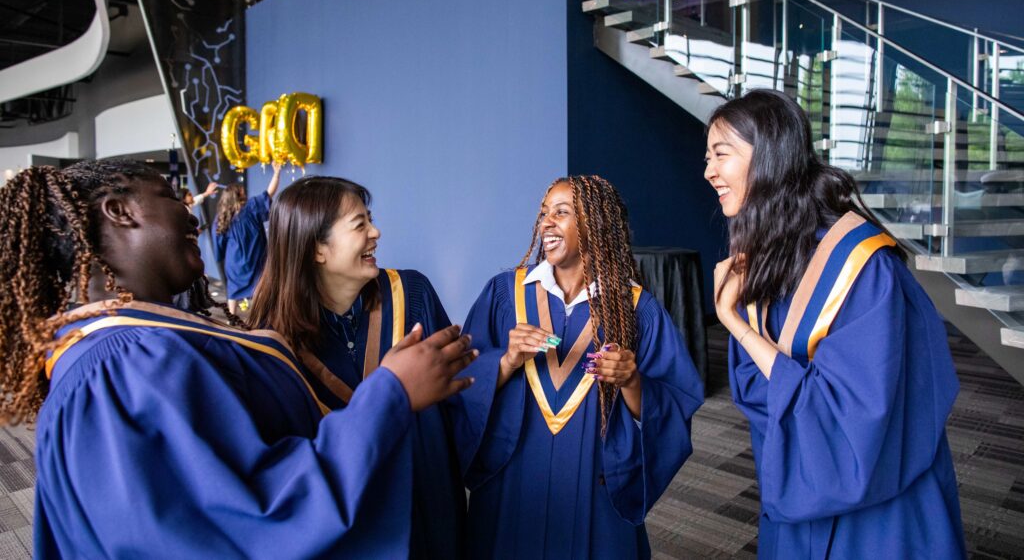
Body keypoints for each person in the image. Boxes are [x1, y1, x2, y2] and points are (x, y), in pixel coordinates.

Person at [0, 159, 476, 558]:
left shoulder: (134, 347)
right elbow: (248, 521)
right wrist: (388, 394)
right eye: (172, 197)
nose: (192, 216)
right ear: (121, 212)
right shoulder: (119, 367)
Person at [705, 90, 966, 558]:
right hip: (800, 487)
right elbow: (766, 394)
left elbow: (852, 421)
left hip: (876, 506)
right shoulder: (775, 253)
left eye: (721, 155)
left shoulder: (863, 267)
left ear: (768, 158)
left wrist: (734, 322)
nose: (708, 172)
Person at [450, 175, 704, 559]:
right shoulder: (506, 294)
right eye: (543, 213)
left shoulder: (636, 311)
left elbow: (675, 404)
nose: (546, 223)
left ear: (596, 225)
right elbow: (460, 379)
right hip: (515, 479)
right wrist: (505, 360)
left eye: (562, 212)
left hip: (594, 487)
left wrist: (632, 381)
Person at [248, 175, 466, 559]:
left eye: (371, 219)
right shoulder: (272, 345)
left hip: (429, 512)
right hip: (350, 537)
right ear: (317, 249)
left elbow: (460, 399)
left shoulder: (411, 295)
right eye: (360, 224)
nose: (376, 232)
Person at [214, 162, 281, 315]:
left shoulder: (222, 217)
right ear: (239, 195)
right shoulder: (251, 207)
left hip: (234, 261)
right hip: (255, 257)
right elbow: (269, 193)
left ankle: (231, 317)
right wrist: (276, 174)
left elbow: (219, 243)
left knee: (233, 289)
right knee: (260, 287)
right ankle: (260, 316)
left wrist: (220, 256)